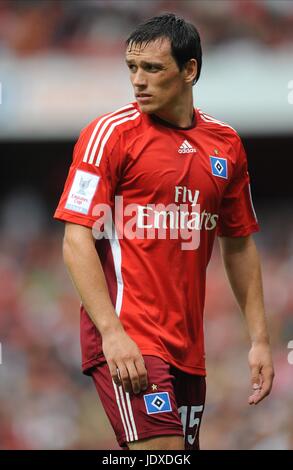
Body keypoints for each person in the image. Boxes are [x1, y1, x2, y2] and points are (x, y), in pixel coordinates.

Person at [54, 13, 274, 450]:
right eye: (132, 68)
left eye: (153, 68)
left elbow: (239, 244)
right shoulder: (109, 134)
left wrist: (260, 340)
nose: (138, 81)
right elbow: (76, 238)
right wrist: (113, 333)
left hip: (189, 350)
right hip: (127, 336)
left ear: (189, 69)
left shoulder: (225, 144)